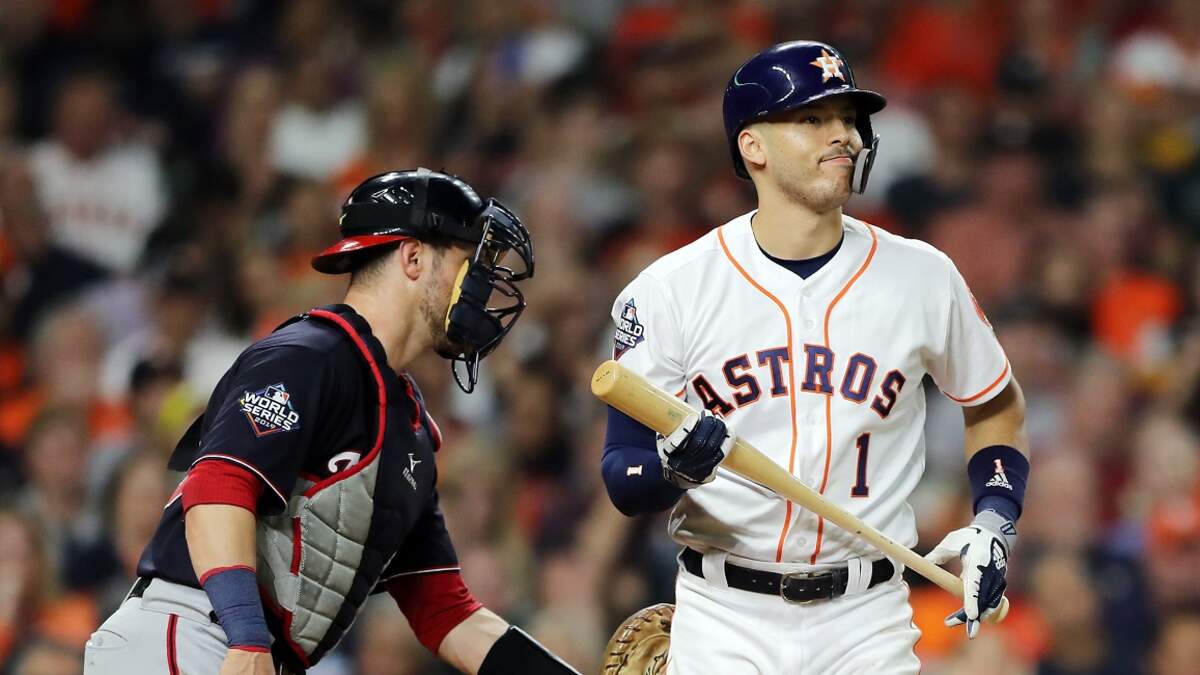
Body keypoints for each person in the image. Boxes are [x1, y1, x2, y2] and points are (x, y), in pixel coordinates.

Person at [600, 41, 1031, 674]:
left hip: (867, 617)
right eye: (812, 118)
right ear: (753, 147)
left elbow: (995, 406)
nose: (844, 136)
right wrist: (674, 469)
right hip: (724, 615)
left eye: (848, 119)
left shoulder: (924, 276)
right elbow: (623, 475)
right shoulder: (671, 289)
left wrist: (994, 520)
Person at [84, 169, 580, 675]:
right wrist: (247, 638)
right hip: (195, 629)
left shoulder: (409, 429)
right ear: (413, 257)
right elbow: (216, 488)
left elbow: (448, 614)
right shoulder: (310, 354)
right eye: (468, 261)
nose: (481, 286)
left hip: (244, 646)